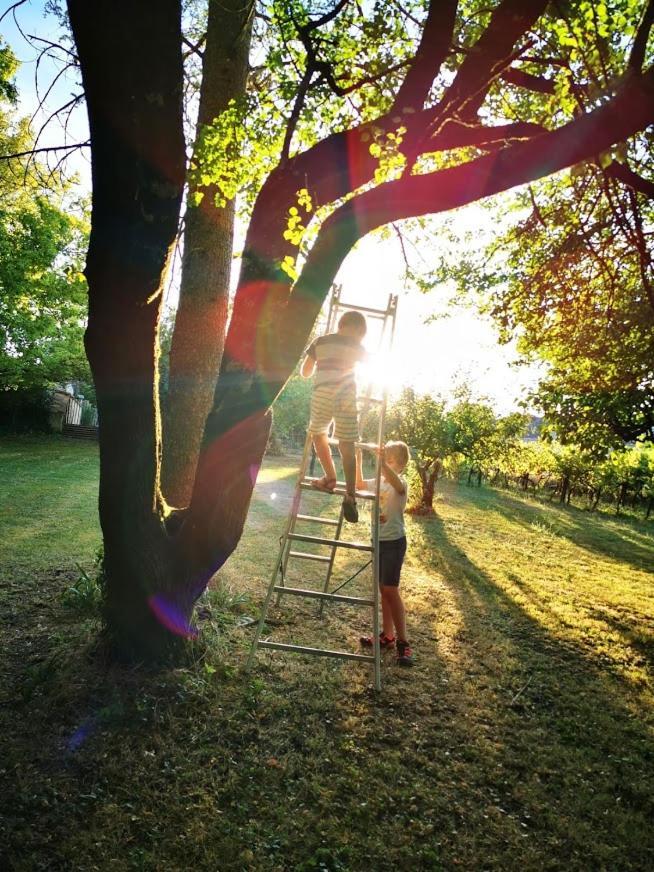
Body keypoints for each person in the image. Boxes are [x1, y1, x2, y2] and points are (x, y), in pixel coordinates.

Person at [301, 310, 368, 523]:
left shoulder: (320, 341)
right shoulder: (357, 346)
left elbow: (305, 372)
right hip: (346, 395)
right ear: (358, 329)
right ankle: (350, 494)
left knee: (318, 435)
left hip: (322, 394)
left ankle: (330, 477)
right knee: (347, 445)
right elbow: (370, 364)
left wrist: (319, 365)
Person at [358, 440, 414, 667]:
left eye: (390, 461)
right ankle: (387, 636)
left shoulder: (400, 483)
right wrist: (360, 458)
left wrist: (381, 463)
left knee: (391, 589)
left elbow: (397, 486)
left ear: (400, 465)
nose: (384, 465)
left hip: (394, 542)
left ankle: (403, 642)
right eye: (384, 460)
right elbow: (360, 484)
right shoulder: (380, 482)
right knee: (383, 590)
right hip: (378, 541)